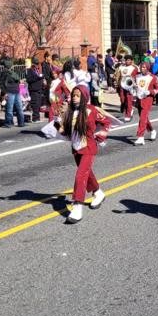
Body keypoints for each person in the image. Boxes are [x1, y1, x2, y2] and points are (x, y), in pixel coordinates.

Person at [57, 85, 111, 223]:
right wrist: (59, 120)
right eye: (73, 96)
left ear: (84, 97)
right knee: (87, 174)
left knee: (80, 175)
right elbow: (64, 132)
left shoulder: (91, 110)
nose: (74, 98)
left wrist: (100, 136)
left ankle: (77, 206)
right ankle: (98, 193)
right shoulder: (69, 111)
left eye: (77, 96)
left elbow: (106, 122)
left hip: (89, 147)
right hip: (76, 147)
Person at [133, 62, 158, 145]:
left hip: (148, 99)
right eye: (141, 67)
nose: (142, 68)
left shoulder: (152, 77)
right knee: (144, 118)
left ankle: (140, 137)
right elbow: (134, 86)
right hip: (139, 99)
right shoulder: (137, 76)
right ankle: (152, 130)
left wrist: (149, 91)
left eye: (144, 67)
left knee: (142, 118)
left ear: (148, 68)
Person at [117, 54, 139, 121]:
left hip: (130, 86)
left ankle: (128, 114)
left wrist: (135, 86)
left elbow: (136, 77)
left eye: (128, 60)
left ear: (131, 61)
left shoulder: (134, 68)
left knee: (129, 100)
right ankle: (129, 110)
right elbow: (118, 76)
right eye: (126, 60)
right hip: (122, 85)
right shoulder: (121, 67)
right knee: (123, 100)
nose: (127, 61)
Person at [26, 57, 45, 123]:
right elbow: (29, 80)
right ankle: (35, 118)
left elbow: (39, 77)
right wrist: (38, 77)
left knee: (38, 104)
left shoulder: (37, 70)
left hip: (39, 89)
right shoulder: (30, 70)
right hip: (33, 89)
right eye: (35, 64)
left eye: (37, 64)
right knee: (35, 104)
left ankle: (38, 117)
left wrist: (41, 78)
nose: (37, 65)